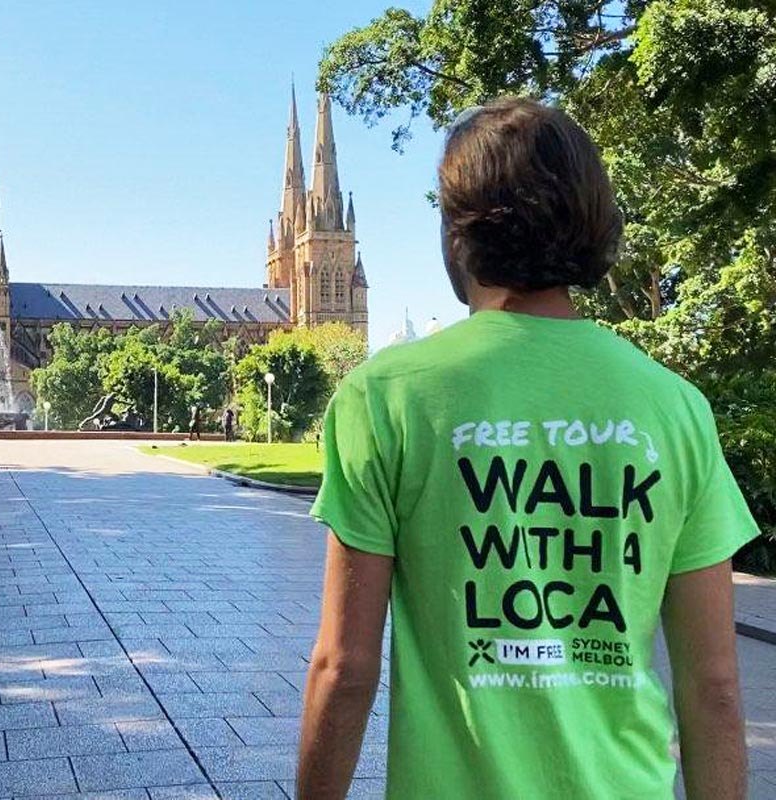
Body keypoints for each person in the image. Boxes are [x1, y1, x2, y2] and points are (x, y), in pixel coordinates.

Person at [298, 98, 757, 800]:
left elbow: (344, 669)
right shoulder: (675, 407)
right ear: (593, 223)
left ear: (458, 234)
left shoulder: (386, 396)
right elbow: (715, 688)